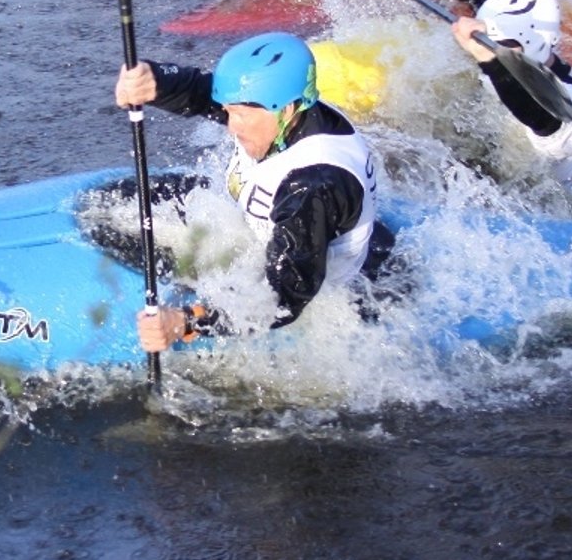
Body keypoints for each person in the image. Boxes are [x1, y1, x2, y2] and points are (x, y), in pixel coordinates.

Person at [113, 32, 386, 354]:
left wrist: (186, 322)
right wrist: (153, 80)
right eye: (229, 111)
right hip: (268, 234)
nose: (231, 125)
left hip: (320, 296)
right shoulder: (282, 107)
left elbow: (282, 296)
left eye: (241, 115)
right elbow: (203, 92)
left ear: (286, 110)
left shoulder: (314, 185)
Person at [374, 0, 572, 223]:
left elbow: (540, 117)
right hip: (496, 148)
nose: (488, 45)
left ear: (528, 46)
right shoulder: (522, 39)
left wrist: (489, 59)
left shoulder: (568, 105)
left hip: (540, 197)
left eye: (497, 42)